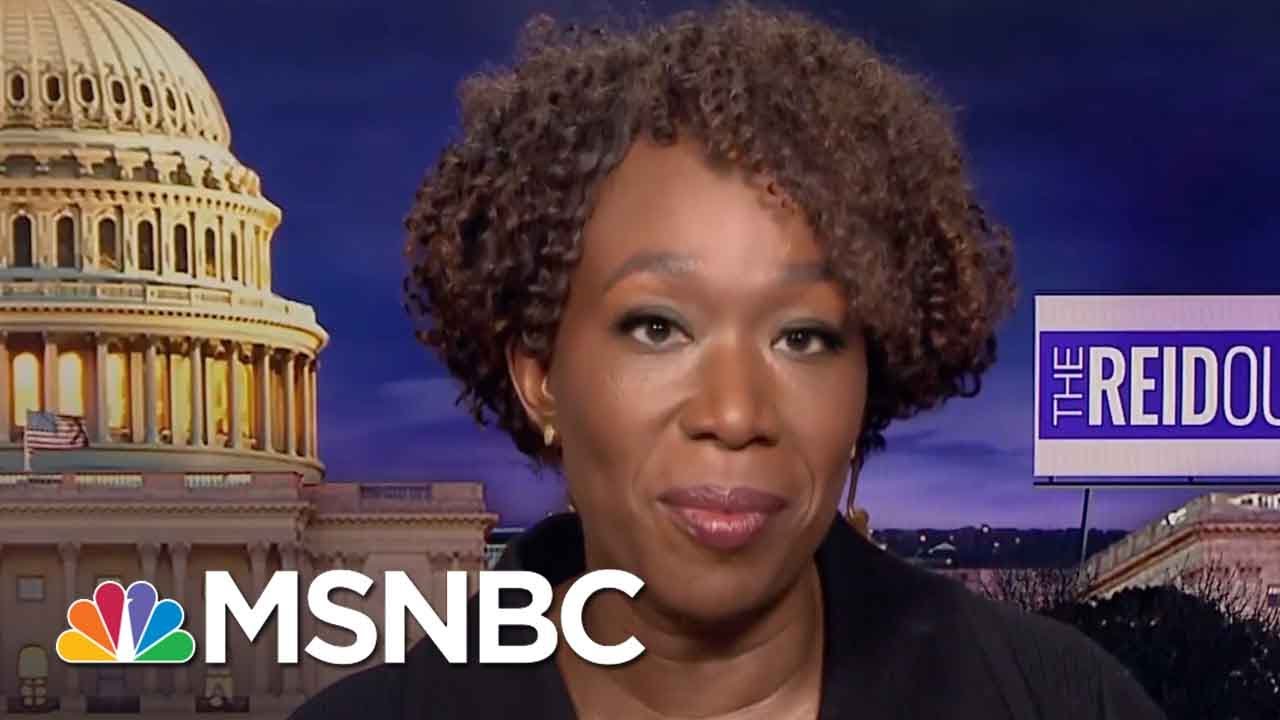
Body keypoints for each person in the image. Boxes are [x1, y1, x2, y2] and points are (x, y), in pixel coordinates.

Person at [292, 2, 1167, 718]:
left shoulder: (1061, 704)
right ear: (539, 376)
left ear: (872, 375)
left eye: (804, 337)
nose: (736, 413)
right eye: (658, 327)